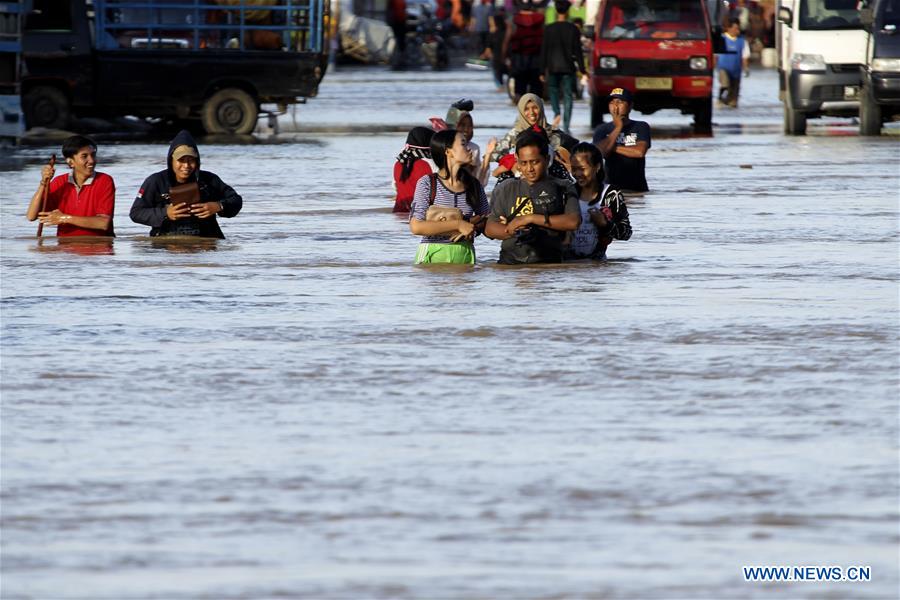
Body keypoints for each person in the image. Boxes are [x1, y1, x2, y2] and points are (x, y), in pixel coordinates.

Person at [485, 129, 580, 264]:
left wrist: (529, 218)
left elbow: (573, 221)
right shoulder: (506, 188)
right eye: (524, 163)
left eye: (535, 162)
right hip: (510, 265)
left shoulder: (563, 186)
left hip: (549, 264)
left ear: (547, 160)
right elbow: (490, 228)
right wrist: (512, 230)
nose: (529, 168)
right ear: (517, 162)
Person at [130, 130, 242, 238]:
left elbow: (236, 200)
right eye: (181, 160)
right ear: (171, 160)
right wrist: (166, 213)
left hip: (205, 242)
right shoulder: (155, 181)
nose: (186, 166)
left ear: (197, 162)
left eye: (191, 160)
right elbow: (136, 213)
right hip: (166, 244)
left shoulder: (209, 180)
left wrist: (219, 206)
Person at [408, 129, 490, 265]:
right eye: (463, 144)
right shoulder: (428, 183)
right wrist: (458, 224)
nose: (470, 149)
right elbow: (416, 227)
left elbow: (487, 217)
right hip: (432, 254)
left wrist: (474, 226)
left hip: (465, 254)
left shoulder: (474, 184)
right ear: (448, 151)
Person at [26, 135, 115, 237]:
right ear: (70, 162)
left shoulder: (105, 181)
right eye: (84, 156)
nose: (91, 160)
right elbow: (31, 216)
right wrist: (43, 182)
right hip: (65, 250)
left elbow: (103, 223)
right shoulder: (60, 182)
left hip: (99, 249)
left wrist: (64, 218)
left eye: (93, 155)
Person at [567, 142, 631, 260]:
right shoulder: (566, 192)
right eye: (574, 169)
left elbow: (626, 233)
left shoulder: (611, 194)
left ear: (597, 167)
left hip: (598, 266)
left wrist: (605, 224)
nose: (577, 174)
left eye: (582, 169)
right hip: (568, 265)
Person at [591, 87, 651, 192]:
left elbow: (639, 152)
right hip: (610, 188)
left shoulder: (641, 126)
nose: (615, 107)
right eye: (612, 103)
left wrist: (612, 147)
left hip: (637, 189)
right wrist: (618, 128)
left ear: (630, 106)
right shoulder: (602, 129)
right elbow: (600, 153)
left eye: (619, 102)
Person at [539, 0, 585, 133]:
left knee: (553, 91)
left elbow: (544, 51)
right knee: (568, 95)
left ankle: (556, 113)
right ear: (568, 11)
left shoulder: (549, 29)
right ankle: (566, 125)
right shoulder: (573, 29)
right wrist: (582, 69)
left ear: (556, 11)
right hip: (568, 67)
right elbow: (578, 51)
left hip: (552, 67)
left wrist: (542, 70)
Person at [445, 99, 496, 187]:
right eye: (462, 125)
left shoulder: (474, 149)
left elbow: (480, 182)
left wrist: (488, 155)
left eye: (470, 126)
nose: (466, 129)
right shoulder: (443, 146)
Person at [504, 0, 545, 101]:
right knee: (536, 90)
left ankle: (521, 113)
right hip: (536, 58)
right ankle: (535, 113)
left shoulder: (514, 20)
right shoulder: (540, 19)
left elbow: (507, 39)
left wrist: (504, 55)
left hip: (519, 58)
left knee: (519, 89)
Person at [393, 126, 436, 213]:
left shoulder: (398, 163)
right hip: (422, 214)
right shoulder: (430, 163)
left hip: (399, 213)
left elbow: (395, 187)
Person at [715, 19, 750, 108]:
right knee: (725, 84)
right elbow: (715, 55)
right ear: (729, 28)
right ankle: (719, 99)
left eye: (738, 29)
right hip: (723, 68)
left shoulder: (742, 41)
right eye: (735, 28)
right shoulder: (722, 39)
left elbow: (745, 56)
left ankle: (728, 100)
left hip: (736, 71)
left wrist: (746, 68)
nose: (737, 31)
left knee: (733, 102)